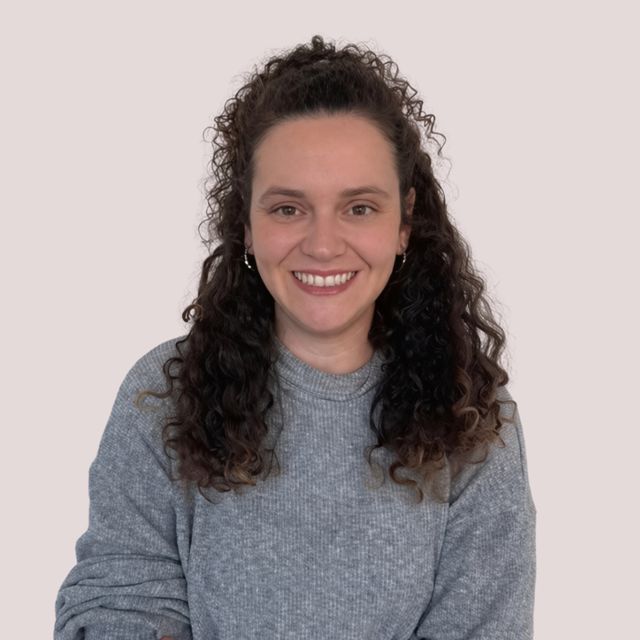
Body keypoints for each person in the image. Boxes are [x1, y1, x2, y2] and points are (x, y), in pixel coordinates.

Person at [54, 35, 536, 640]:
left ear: (405, 222)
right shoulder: (163, 396)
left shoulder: (473, 419)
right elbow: (118, 608)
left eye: (359, 208)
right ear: (247, 224)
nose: (323, 245)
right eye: (288, 208)